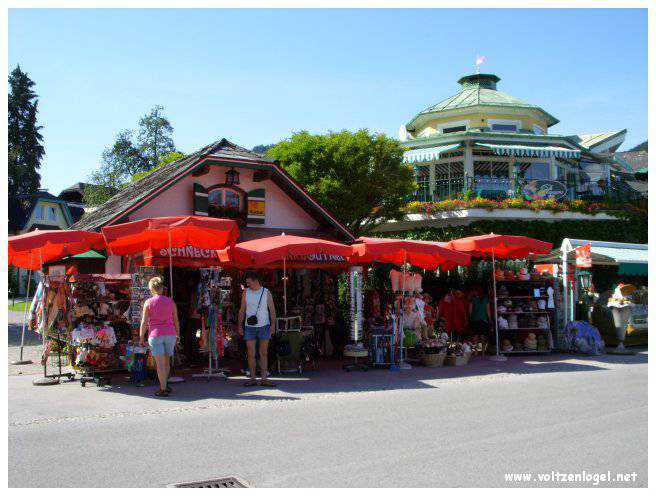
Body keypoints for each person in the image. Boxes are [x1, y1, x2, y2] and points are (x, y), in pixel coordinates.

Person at [139, 277, 180, 397]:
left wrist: (141, 337)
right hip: (170, 333)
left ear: (151, 288)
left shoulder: (148, 302)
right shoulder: (170, 302)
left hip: (156, 334)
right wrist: (178, 334)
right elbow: (176, 320)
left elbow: (144, 322)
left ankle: (162, 389)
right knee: (166, 362)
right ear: (162, 288)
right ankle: (165, 384)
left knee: (160, 364)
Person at [238, 271, 277, 387]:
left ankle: (264, 378)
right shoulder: (246, 292)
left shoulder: (266, 292)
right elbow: (242, 310)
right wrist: (239, 325)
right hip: (249, 326)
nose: (247, 284)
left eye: (248, 282)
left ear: (255, 281)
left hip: (264, 326)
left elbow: (272, 310)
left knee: (263, 353)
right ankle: (253, 378)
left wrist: (273, 325)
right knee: (251, 353)